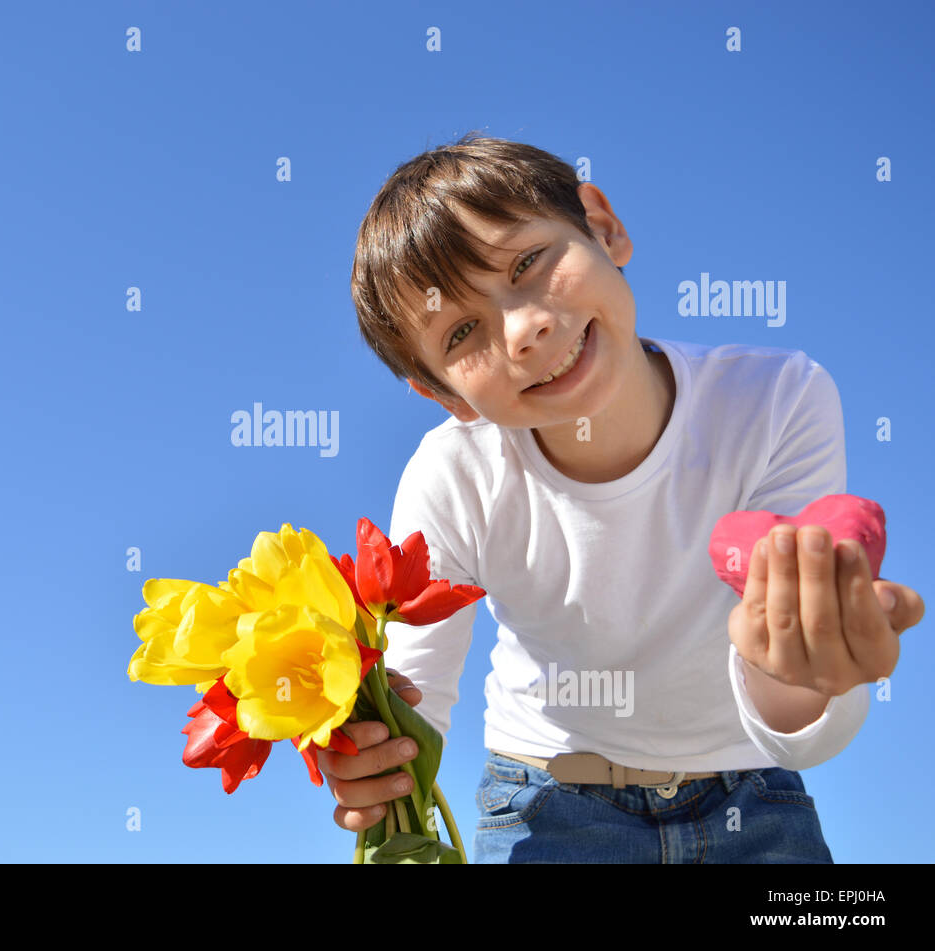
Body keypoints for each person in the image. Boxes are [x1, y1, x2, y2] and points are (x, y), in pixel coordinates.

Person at [319, 134, 925, 863]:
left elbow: (801, 724)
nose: (526, 327)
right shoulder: (452, 477)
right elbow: (419, 693)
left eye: (528, 263)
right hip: (546, 807)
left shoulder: (777, 401)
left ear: (602, 226)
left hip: (753, 799)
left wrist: (799, 670)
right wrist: (380, 765)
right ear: (444, 396)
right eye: (463, 331)